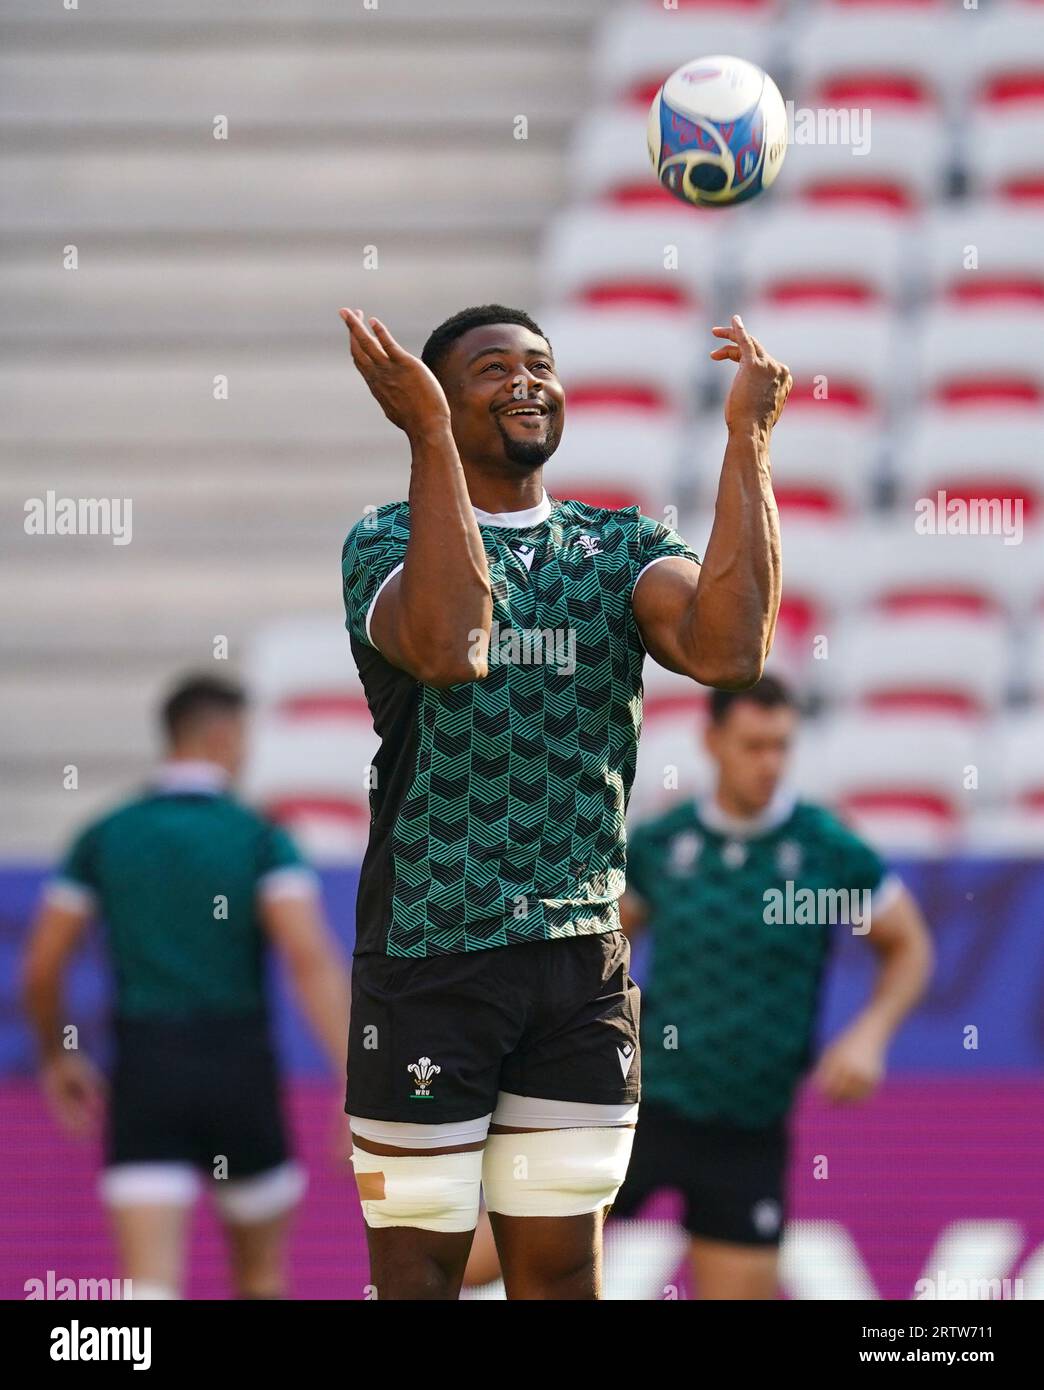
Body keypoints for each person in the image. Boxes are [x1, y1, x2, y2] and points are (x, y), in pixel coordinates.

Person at [338, 301, 792, 1299]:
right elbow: (453, 645)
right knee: (419, 1280)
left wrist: (748, 439)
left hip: (578, 969)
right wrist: (423, 439)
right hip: (429, 960)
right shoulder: (379, 544)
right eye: (492, 369)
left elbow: (729, 649)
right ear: (440, 404)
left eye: (540, 364)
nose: (526, 382)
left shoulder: (618, 543)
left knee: (561, 1279)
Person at [22, 674, 351, 1300]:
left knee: (148, 1293)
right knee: (259, 1280)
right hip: (241, 1075)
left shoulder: (105, 835)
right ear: (223, 735)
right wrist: (349, 1073)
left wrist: (56, 1053)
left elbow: (41, 965)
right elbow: (308, 958)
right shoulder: (258, 838)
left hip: (146, 1075)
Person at [610, 674, 934, 1299]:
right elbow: (600, 952)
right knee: (516, 1259)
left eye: (781, 746)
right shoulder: (664, 845)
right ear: (712, 740)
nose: (769, 763)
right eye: (753, 745)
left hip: (748, 1128)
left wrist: (870, 1035)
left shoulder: (822, 853)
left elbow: (910, 946)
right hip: (640, 1110)